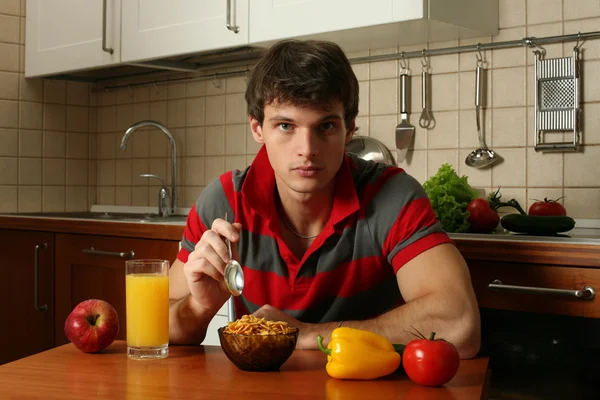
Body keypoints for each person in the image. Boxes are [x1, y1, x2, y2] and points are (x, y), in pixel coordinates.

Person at [168, 39, 481, 358]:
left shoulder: (392, 195)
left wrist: (305, 335)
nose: (307, 149)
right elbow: (156, 326)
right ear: (257, 128)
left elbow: (460, 326)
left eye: (326, 126)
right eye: (286, 125)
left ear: (349, 129)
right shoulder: (223, 201)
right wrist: (198, 306)